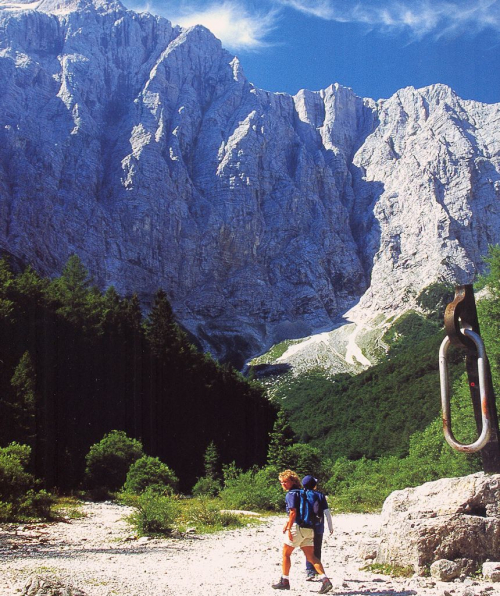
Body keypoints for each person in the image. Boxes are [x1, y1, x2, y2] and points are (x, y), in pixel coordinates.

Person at [272, 469, 333, 593]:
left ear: (293, 481)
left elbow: (293, 512)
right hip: (310, 528)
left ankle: (285, 581)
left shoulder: (291, 494)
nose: (283, 484)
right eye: (281, 482)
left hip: (297, 527)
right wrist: (287, 523)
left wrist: (289, 528)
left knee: (286, 554)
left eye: (285, 482)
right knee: (311, 556)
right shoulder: (305, 492)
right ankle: (325, 580)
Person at [301, 475, 334, 581]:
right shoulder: (320, 495)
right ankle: (316, 571)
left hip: (305, 526)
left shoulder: (301, 494)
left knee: (308, 549)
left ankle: (309, 572)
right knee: (317, 549)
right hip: (318, 527)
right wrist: (330, 526)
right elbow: (327, 512)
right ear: (314, 485)